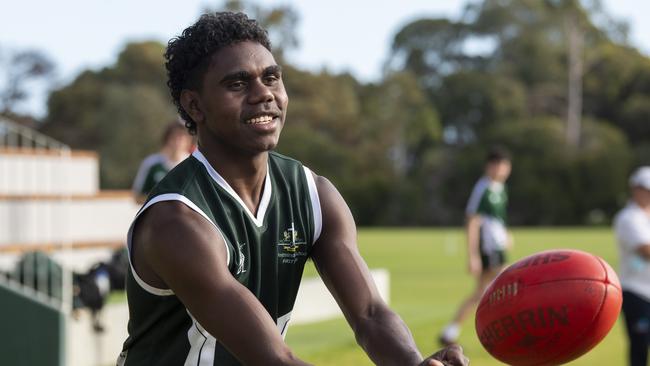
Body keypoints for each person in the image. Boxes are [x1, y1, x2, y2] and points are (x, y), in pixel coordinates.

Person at [117, 12, 468, 366]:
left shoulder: (314, 195)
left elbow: (371, 316)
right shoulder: (176, 221)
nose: (264, 94)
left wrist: (414, 363)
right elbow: (274, 359)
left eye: (271, 78)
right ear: (195, 105)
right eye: (238, 84)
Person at [439, 147, 512, 346]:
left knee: (483, 291)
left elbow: (497, 219)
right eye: (497, 166)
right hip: (488, 249)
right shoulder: (483, 188)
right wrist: (473, 255)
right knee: (506, 286)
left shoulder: (501, 189)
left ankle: (450, 330)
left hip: (499, 248)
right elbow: (472, 221)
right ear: (488, 167)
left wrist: (506, 234)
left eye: (504, 166)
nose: (501, 170)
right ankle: (503, 333)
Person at [614, 166, 650, 366]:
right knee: (639, 349)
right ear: (635, 189)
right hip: (636, 293)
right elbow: (646, 250)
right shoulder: (628, 218)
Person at [131, 120, 194, 203]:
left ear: (188, 141)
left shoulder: (193, 165)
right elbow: (137, 197)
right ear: (167, 139)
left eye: (181, 137)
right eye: (174, 137)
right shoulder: (151, 163)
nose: (177, 142)